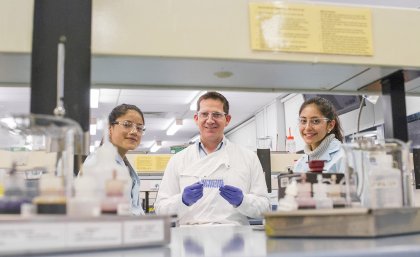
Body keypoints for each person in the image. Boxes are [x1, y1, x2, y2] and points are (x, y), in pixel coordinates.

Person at [154, 92, 270, 225]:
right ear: (196, 118)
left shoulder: (248, 158)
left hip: (235, 238)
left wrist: (243, 201)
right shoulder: (178, 160)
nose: (210, 120)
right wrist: (182, 201)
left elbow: (265, 208)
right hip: (190, 238)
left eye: (216, 114)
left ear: (227, 119)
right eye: (204, 114)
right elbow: (160, 209)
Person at [81, 104, 145, 215]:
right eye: (127, 124)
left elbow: (134, 208)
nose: (134, 131)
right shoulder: (96, 164)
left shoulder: (124, 164)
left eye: (139, 128)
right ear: (110, 129)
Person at [293, 96, 345, 173]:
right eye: (303, 121)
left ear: (330, 125)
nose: (307, 128)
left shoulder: (343, 157)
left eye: (315, 121)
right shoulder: (299, 165)